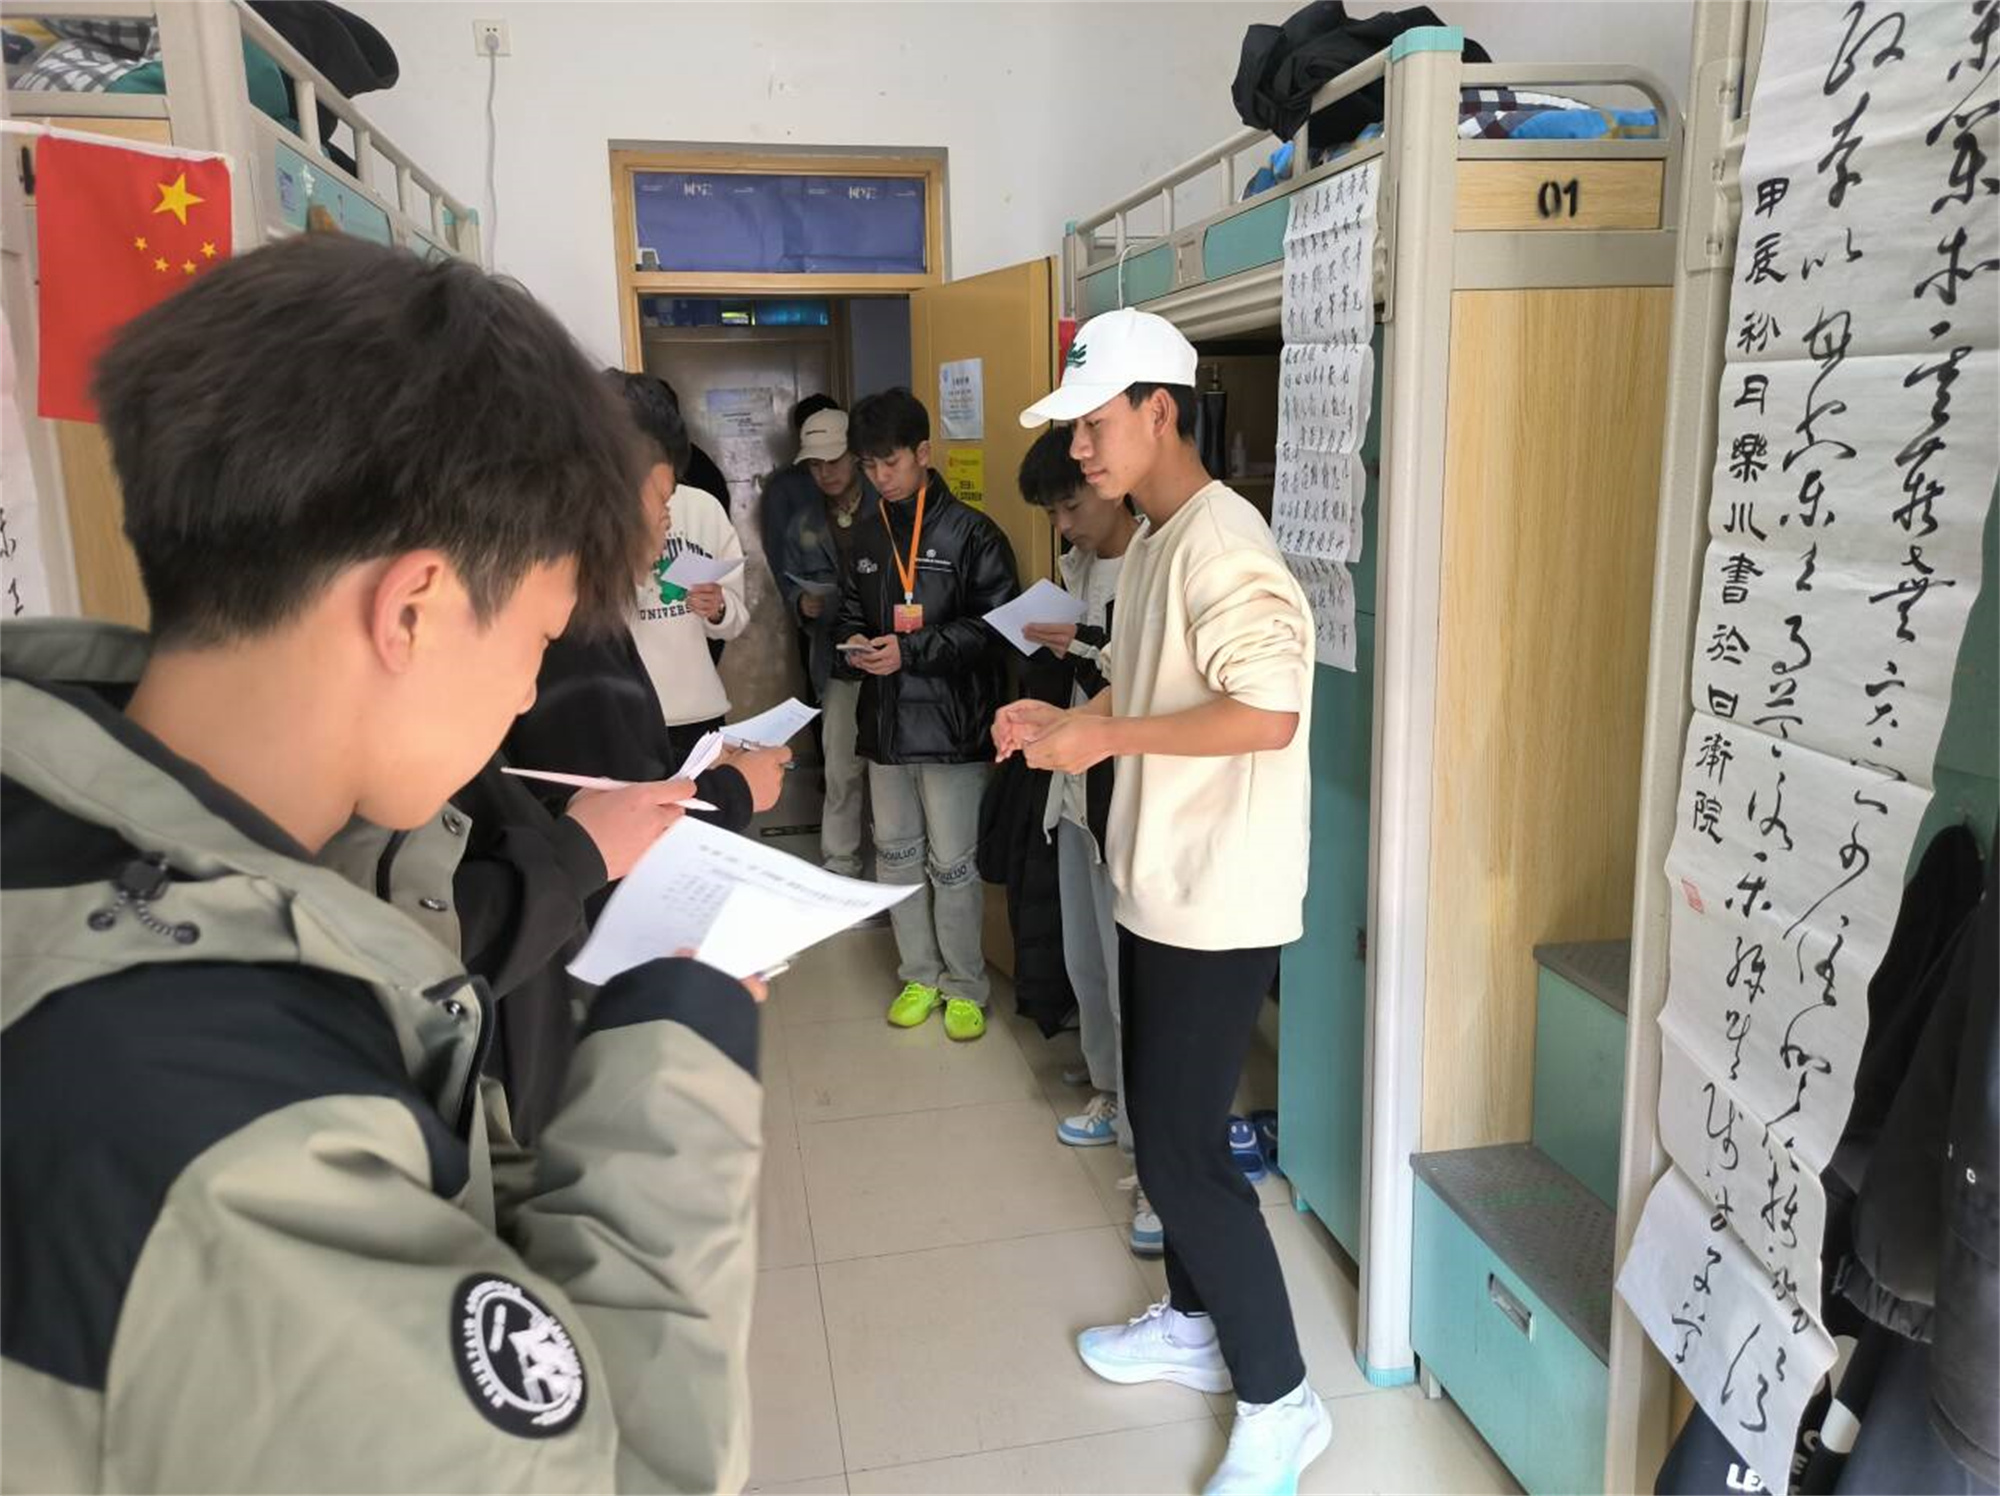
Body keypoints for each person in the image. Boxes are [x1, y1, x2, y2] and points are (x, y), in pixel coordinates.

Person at [0, 235, 763, 1492]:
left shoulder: (69, 828)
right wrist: (679, 1057)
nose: (524, 689)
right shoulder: (217, 1120)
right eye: (536, 638)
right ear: (412, 607)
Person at [1000, 307, 1329, 1495]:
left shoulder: (1222, 540)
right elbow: (1150, 691)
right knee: (1160, 1124)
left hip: (1216, 897)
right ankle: (1192, 1321)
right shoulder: (1152, 541)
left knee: (1185, 1155)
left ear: (1159, 410)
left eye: (1094, 423)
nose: (1079, 448)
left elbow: (1266, 712)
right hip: (1159, 884)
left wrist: (1103, 739)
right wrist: (1071, 718)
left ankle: (1282, 1399)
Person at [1014, 427, 1159, 1257]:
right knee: (1087, 965)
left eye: (1070, 506)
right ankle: (1109, 1093)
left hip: (1127, 801)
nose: (1064, 525)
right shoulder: (1076, 568)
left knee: (1133, 979)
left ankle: (1150, 1156)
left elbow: (1153, 685)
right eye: (1054, 513)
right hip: (1072, 797)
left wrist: (1090, 648)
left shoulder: (1151, 561)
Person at [836, 387, 1018, 1041]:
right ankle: (918, 974)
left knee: (954, 863)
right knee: (895, 855)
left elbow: (998, 628)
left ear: (924, 452)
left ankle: (965, 984)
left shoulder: (973, 533)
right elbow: (849, 613)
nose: (880, 477)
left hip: (952, 729)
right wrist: (854, 643)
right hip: (886, 727)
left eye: (890, 462)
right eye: (869, 465)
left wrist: (911, 651)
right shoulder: (864, 535)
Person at [615, 372, 751, 766]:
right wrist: (638, 561)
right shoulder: (602, 512)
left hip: (698, 708)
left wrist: (719, 608)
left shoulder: (702, 508)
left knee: (709, 802)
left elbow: (735, 618)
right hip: (629, 709)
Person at [776, 407, 871, 876]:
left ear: (855, 456)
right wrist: (802, 604)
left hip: (891, 652)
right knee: (840, 769)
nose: (825, 472)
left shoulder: (887, 507)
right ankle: (840, 863)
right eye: (815, 464)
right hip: (834, 658)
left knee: (893, 773)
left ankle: (895, 861)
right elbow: (789, 585)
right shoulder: (803, 524)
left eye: (833, 460)